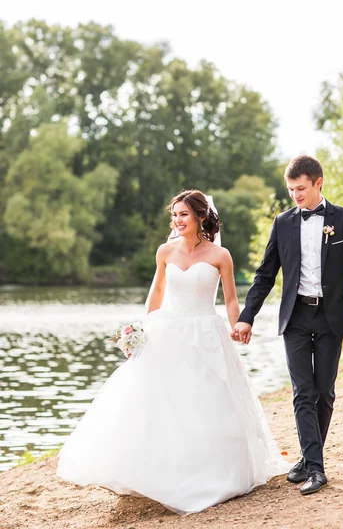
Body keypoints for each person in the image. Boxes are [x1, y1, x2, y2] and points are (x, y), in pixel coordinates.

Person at [57, 189, 290, 515]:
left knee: (205, 402)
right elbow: (157, 292)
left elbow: (231, 299)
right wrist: (140, 332)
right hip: (167, 332)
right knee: (163, 402)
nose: (177, 221)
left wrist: (239, 325)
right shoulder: (165, 251)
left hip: (207, 333)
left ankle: (210, 475)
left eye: (183, 215)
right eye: (174, 215)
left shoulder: (220, 256)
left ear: (200, 217)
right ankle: (154, 474)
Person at [233, 155, 343, 495]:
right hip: (295, 317)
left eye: (301, 188)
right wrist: (246, 316)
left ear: (318, 183)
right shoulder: (282, 223)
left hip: (331, 317)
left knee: (324, 392)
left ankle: (308, 459)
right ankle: (316, 468)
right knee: (302, 392)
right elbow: (265, 274)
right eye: (291, 189)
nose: (295, 195)